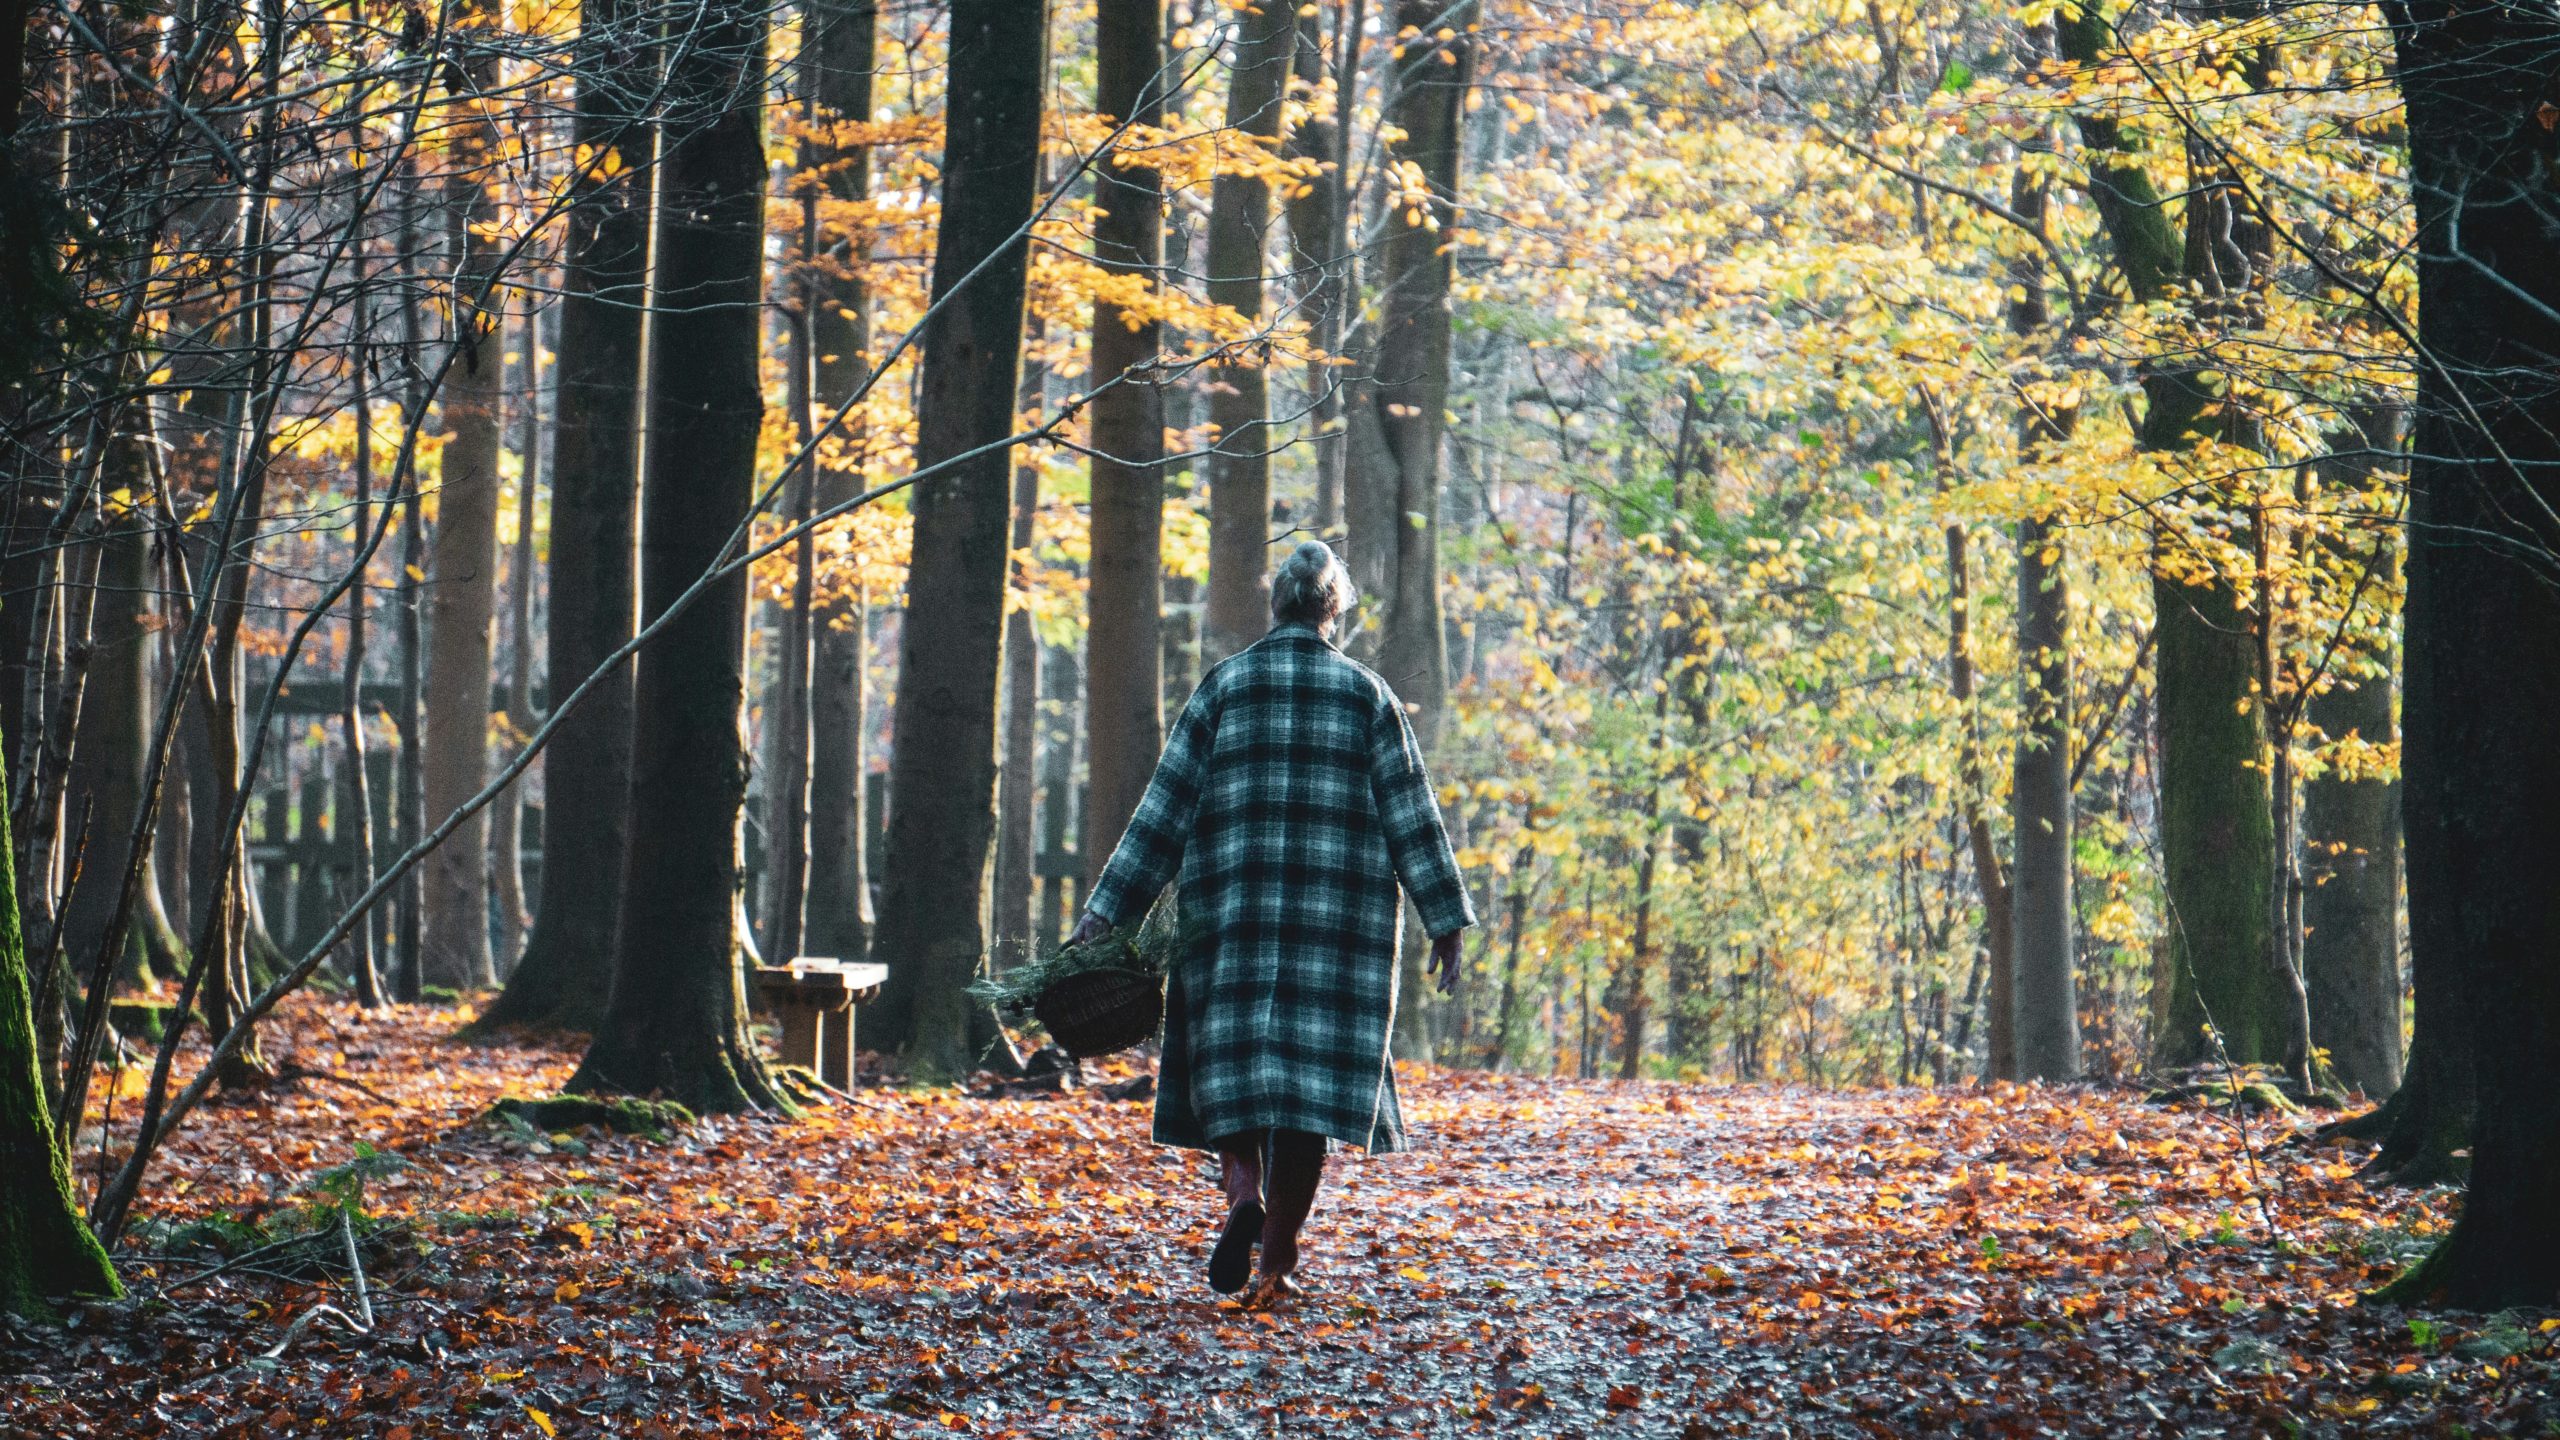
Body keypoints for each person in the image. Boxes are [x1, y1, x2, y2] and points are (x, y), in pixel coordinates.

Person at [1070, 540, 1475, 1303]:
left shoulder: (1223, 689)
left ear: (1277, 604)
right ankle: (1276, 1260)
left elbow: (1163, 810)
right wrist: (1445, 920)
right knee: (1307, 1101)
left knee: (1231, 1078)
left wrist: (1106, 911)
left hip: (1232, 922)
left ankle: (1243, 1195)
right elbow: (1412, 815)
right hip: (1339, 936)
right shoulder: (1368, 697)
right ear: (1334, 610)